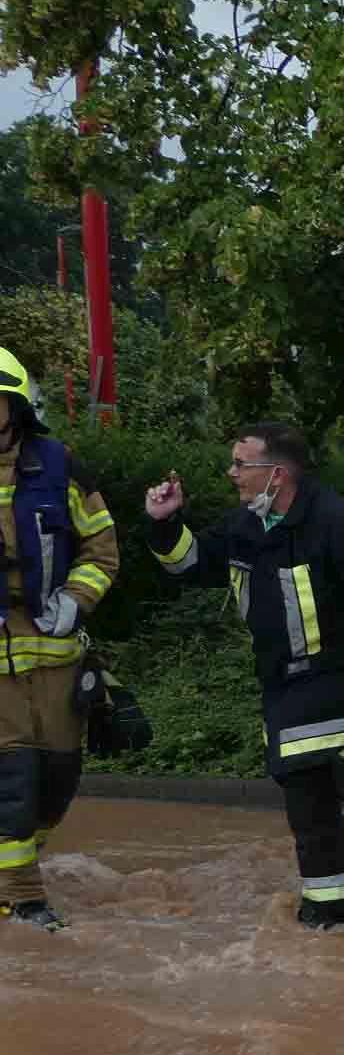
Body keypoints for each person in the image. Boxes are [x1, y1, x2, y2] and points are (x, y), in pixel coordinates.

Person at [144, 425, 344, 928]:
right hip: (282, 683)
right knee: (333, 779)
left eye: (241, 464)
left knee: (309, 797)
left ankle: (328, 913)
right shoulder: (245, 526)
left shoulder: (336, 521)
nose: (232, 474)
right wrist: (165, 523)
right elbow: (189, 565)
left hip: (336, 677)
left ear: (275, 474)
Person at [0, 346, 118, 931]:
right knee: (13, 779)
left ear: (16, 407)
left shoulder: (57, 465)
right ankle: (22, 900)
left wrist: (75, 599)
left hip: (53, 653)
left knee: (60, 776)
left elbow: (101, 546)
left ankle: (12, 874)